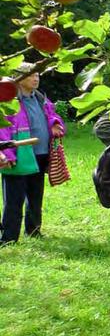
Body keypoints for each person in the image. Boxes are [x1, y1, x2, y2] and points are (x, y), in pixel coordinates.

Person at [0, 65, 65, 244]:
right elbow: (2, 129)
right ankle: (9, 238)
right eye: (31, 76)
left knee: (36, 196)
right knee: (14, 199)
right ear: (18, 79)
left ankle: (34, 230)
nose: (36, 79)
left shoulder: (40, 98)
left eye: (37, 75)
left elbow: (52, 114)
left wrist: (55, 124)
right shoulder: (8, 101)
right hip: (19, 155)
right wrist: (7, 154)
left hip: (40, 154)